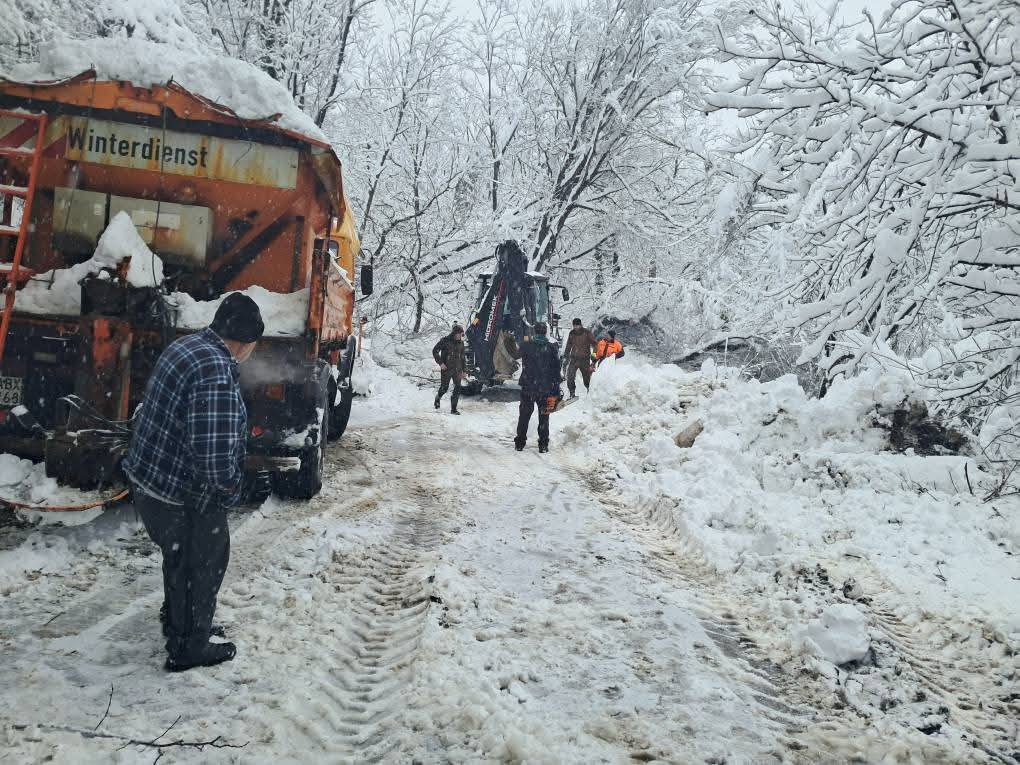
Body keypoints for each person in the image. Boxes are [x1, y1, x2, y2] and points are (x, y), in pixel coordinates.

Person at [123, 293, 263, 672]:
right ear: (245, 341)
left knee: (179, 556)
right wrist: (230, 489)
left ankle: (181, 622)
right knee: (203, 561)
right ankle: (188, 645)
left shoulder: (188, 346)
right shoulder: (216, 370)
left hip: (151, 480)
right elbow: (213, 453)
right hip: (178, 491)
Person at [514, 322, 562, 453]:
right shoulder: (552, 348)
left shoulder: (526, 346)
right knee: (544, 417)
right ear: (545, 332)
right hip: (545, 388)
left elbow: (514, 355)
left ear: (534, 332)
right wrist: (556, 388)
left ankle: (520, 442)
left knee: (524, 415)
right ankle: (543, 444)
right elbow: (556, 369)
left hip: (528, 387)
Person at [433, 324, 466, 415]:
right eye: (459, 334)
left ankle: (453, 409)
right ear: (454, 333)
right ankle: (438, 398)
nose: (461, 336)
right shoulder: (445, 341)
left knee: (458, 388)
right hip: (447, 369)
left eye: (462, 334)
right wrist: (441, 363)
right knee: (444, 388)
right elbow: (435, 351)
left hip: (457, 370)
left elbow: (463, 358)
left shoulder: (461, 343)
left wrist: (464, 370)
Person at [563, 318, 596, 398]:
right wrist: (565, 356)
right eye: (574, 326)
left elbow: (595, 344)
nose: (576, 327)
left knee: (586, 378)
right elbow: (568, 346)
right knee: (570, 376)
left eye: (577, 325)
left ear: (581, 325)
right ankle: (572, 393)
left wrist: (593, 356)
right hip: (574, 359)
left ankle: (589, 391)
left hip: (585, 359)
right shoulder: (572, 333)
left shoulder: (587, 333)